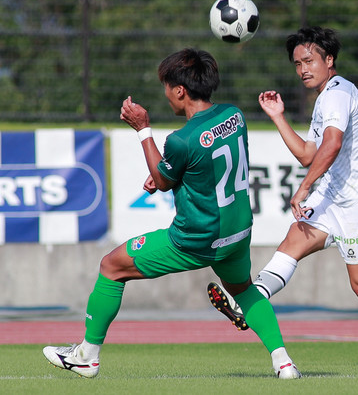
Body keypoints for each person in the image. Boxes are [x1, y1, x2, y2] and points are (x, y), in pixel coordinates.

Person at [42, 48, 301, 379]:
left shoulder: (182, 139)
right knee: (244, 290)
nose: (166, 95)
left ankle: (87, 356)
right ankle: (284, 363)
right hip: (237, 232)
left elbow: (165, 180)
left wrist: (143, 129)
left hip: (197, 239)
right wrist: (168, 174)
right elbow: (199, 170)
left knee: (111, 266)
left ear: (180, 90)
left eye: (167, 87)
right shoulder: (234, 116)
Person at [209, 26, 358, 365]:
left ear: (329, 60)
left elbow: (332, 145)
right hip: (332, 197)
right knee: (293, 241)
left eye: (309, 60)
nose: (303, 69)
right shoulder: (325, 98)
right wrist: (278, 118)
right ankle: (247, 301)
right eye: (297, 64)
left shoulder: (338, 92)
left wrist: (304, 187)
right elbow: (310, 153)